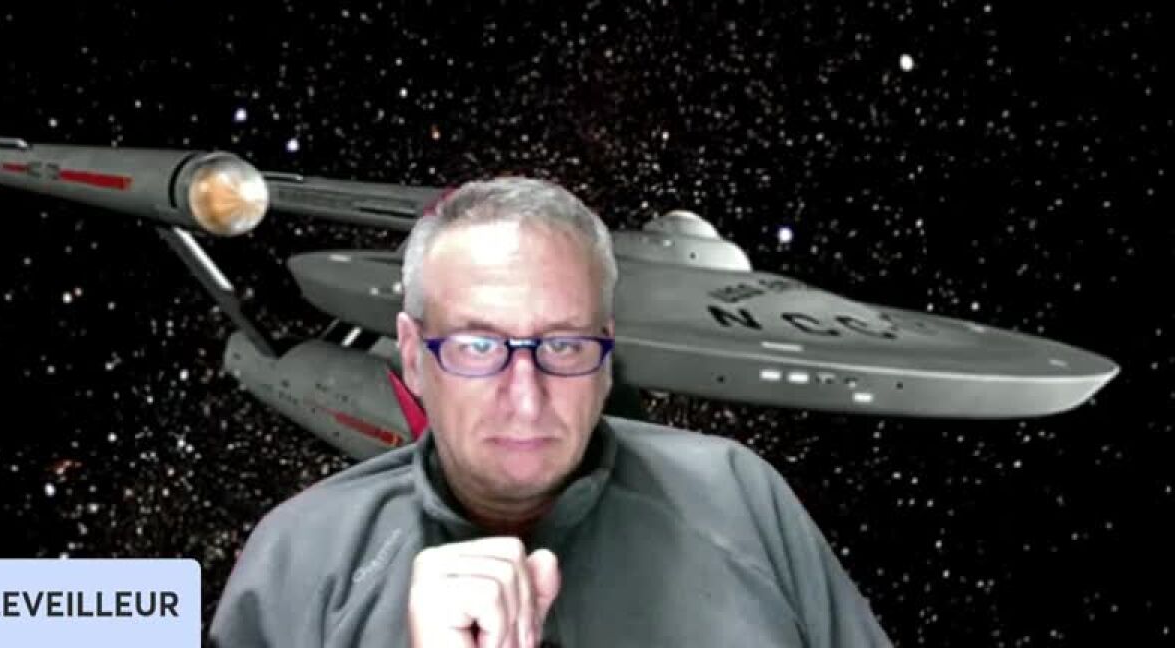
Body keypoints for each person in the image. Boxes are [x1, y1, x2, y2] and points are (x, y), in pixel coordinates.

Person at [209, 177, 893, 647]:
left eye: (563, 345)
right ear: (413, 358)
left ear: (607, 359)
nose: (526, 395)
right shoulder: (300, 558)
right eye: (479, 346)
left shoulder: (738, 497)